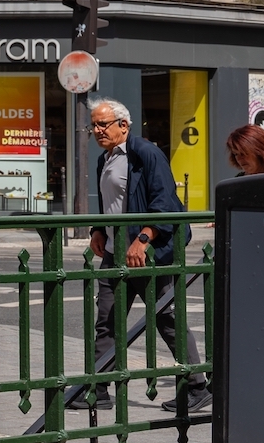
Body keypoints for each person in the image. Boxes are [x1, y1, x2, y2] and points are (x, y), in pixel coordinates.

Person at [85, 98, 204, 413]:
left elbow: (163, 200)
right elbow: (110, 202)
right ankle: (99, 389)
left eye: (102, 124)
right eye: (93, 125)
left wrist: (143, 238)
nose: (97, 130)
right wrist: (98, 229)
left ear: (123, 125)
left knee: (168, 319)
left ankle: (196, 386)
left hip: (147, 256)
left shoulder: (146, 154)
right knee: (107, 321)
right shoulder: (105, 158)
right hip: (114, 254)